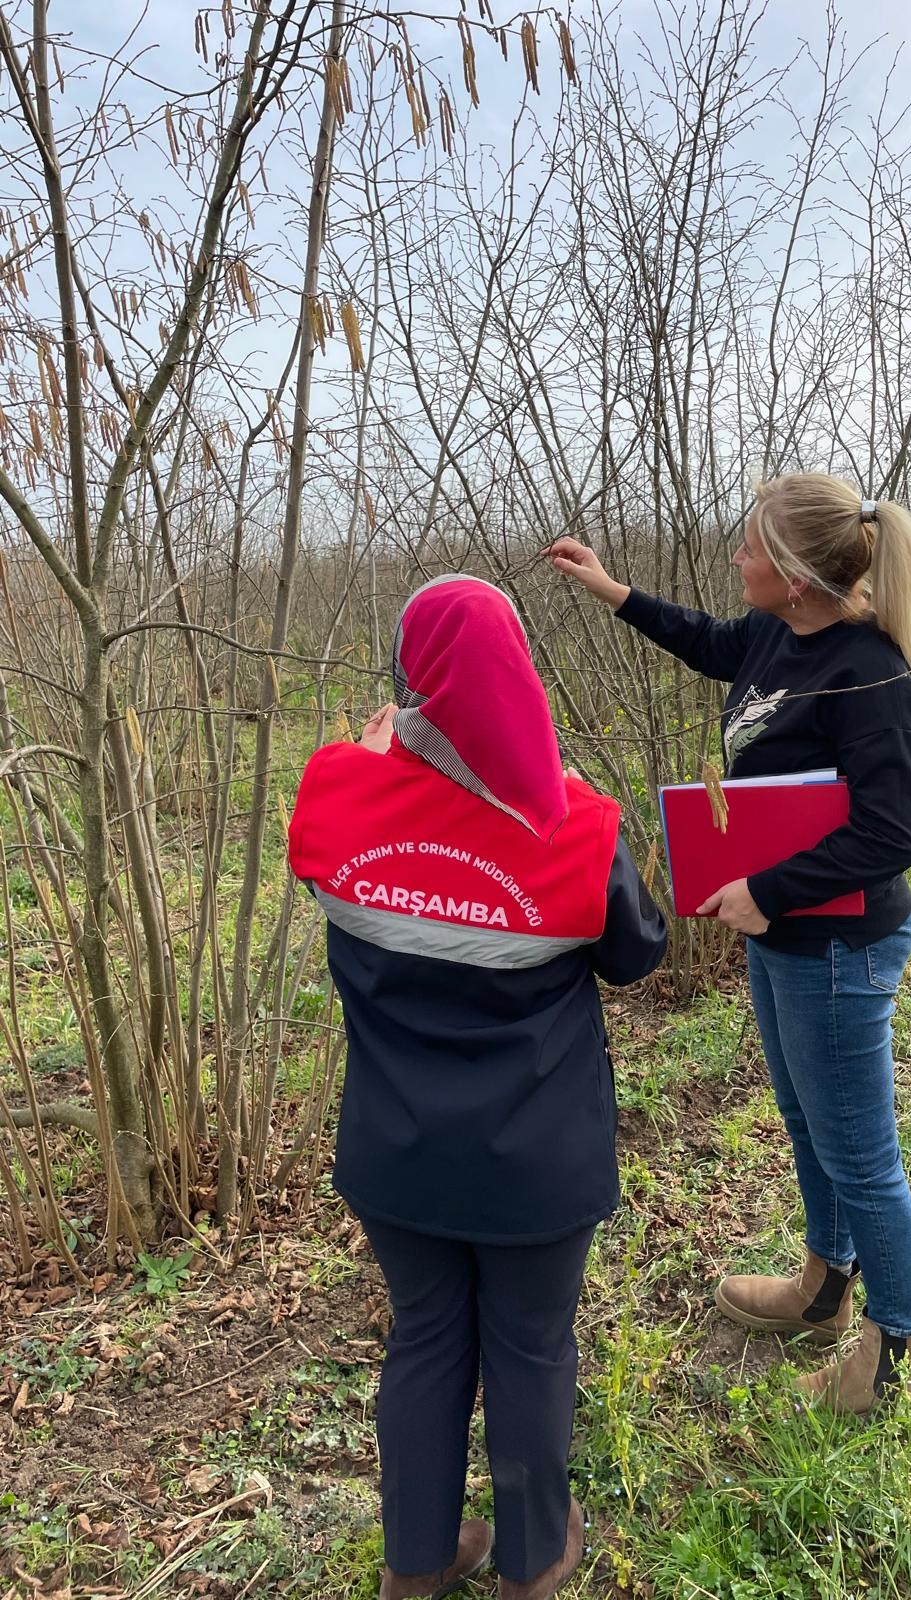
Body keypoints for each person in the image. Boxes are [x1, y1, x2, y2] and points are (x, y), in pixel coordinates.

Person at [288, 574, 667, 1600]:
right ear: (519, 679)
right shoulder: (577, 825)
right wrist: (562, 798)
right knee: (532, 1348)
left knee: (424, 1339)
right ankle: (533, 1563)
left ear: (407, 680)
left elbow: (330, 864)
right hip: (536, 1163)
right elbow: (638, 953)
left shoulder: (334, 795)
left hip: (397, 1155)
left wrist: (376, 762)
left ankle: (415, 1566)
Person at [548, 473, 911, 1413]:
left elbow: (895, 835)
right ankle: (824, 1284)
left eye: (752, 548)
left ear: (798, 577)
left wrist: (767, 891)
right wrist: (612, 591)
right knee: (810, 1124)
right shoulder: (776, 633)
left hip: (839, 947)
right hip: (783, 937)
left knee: (862, 1156)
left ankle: (896, 1359)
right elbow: (710, 641)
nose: (737, 558)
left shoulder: (874, 679)